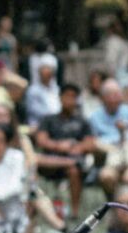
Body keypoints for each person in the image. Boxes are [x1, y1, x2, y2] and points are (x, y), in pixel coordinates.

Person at [34, 82, 96, 219]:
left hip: (74, 162)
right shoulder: (49, 119)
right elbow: (41, 140)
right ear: (60, 98)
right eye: (67, 96)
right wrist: (58, 145)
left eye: (73, 97)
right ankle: (38, 209)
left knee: (74, 170)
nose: (70, 100)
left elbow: (91, 144)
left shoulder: (83, 122)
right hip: (51, 162)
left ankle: (74, 211)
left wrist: (77, 147)